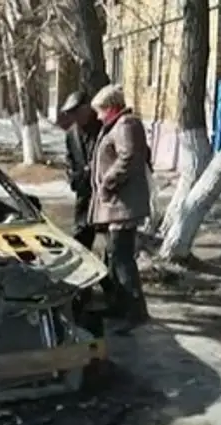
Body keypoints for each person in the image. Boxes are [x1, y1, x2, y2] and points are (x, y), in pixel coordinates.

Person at [88, 84, 151, 335]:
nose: (98, 116)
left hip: (124, 205)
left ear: (112, 108)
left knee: (122, 259)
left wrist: (107, 183)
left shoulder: (126, 125)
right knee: (115, 257)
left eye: (100, 110)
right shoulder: (117, 125)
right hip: (117, 205)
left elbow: (129, 158)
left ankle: (135, 312)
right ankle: (119, 305)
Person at [57, 91, 106, 334]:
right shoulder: (71, 134)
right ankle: (82, 291)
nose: (75, 117)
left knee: (110, 248)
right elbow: (70, 162)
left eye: (77, 112)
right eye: (71, 114)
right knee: (80, 242)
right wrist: (75, 177)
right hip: (84, 197)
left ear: (88, 108)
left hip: (106, 198)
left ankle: (114, 294)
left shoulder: (104, 129)